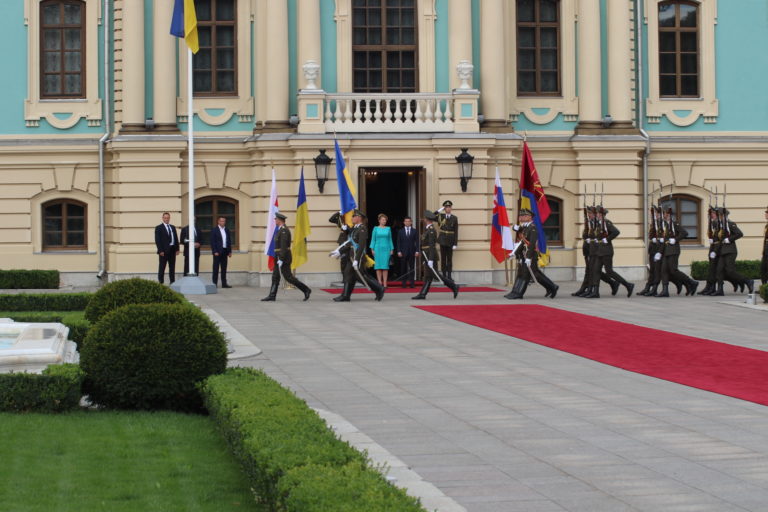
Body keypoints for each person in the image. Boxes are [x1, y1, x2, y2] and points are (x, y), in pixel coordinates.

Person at [332, 210, 385, 302]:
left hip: (358, 257)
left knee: (361, 276)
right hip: (351, 256)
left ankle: (379, 288)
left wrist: (357, 260)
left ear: (359, 218)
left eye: (353, 217)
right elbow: (350, 243)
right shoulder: (355, 229)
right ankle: (345, 296)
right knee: (348, 274)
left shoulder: (362, 229)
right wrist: (339, 251)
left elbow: (361, 246)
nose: (352, 218)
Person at [505, 209, 558, 299]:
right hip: (524, 255)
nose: (521, 217)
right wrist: (514, 253)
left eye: (524, 216)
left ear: (530, 217)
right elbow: (522, 242)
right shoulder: (525, 228)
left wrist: (529, 257)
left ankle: (519, 293)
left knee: (526, 274)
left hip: (531, 255)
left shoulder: (532, 228)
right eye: (521, 216)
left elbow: (532, 244)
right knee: (528, 273)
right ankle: (552, 287)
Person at [581, 207, 634, 298]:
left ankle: (628, 285)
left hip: (606, 251)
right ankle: (595, 291)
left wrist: (607, 239)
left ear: (601, 214)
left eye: (597, 213)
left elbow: (616, 232)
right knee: (595, 271)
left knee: (609, 272)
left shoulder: (606, 223)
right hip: (598, 251)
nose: (595, 214)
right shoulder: (598, 224)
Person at [261, 213, 311, 301]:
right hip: (278, 256)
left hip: (284, 257)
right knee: (275, 276)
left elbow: (284, 246)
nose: (275, 220)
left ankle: (306, 289)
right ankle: (272, 296)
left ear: (280, 220)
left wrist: (281, 258)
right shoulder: (280, 230)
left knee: (288, 277)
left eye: (276, 219)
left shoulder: (284, 230)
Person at [573, 206, 619, 297]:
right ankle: (590, 289)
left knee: (594, 270)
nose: (589, 215)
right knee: (591, 270)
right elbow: (586, 235)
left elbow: (601, 236)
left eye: (590, 213)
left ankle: (590, 289)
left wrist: (605, 239)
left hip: (596, 250)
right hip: (589, 249)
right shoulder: (591, 223)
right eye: (588, 213)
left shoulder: (601, 223)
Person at [412, 210, 459, 299]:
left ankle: (453, 286)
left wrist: (430, 259)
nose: (424, 219)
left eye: (425, 218)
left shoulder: (431, 230)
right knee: (428, 277)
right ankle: (422, 294)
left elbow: (432, 246)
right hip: (426, 257)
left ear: (427, 219)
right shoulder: (427, 229)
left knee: (435, 275)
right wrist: (424, 259)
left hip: (430, 257)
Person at [654, 207, 697, 297]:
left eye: (664, 213)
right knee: (664, 270)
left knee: (673, 270)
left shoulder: (674, 223)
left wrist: (675, 239)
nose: (663, 215)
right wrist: (659, 252)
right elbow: (665, 240)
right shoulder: (665, 225)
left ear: (668, 214)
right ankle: (665, 291)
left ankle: (691, 282)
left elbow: (685, 233)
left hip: (673, 250)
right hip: (666, 251)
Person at [712, 207, 754, 296]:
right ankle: (720, 290)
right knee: (719, 270)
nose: (717, 217)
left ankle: (748, 281)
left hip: (730, 251)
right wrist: (715, 250)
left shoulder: (730, 224)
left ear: (723, 216)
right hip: (721, 251)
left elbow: (740, 233)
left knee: (730, 271)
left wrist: (729, 239)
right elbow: (718, 239)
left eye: (719, 215)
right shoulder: (719, 226)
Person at [637, 205, 663, 296]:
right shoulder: (654, 223)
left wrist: (659, 251)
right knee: (652, 270)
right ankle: (648, 287)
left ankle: (654, 288)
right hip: (653, 249)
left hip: (658, 250)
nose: (654, 215)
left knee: (657, 271)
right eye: (654, 213)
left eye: (656, 213)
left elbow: (664, 238)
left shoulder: (662, 224)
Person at [435, 200, 458, 280]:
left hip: (450, 241)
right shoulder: (441, 217)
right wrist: (439, 210)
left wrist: (455, 243)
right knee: (443, 259)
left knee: (449, 259)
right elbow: (431, 216)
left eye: (449, 207)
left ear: (451, 208)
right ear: (444, 209)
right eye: (446, 207)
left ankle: (449, 276)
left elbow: (456, 231)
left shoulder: (454, 218)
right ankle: (444, 275)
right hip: (442, 240)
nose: (448, 209)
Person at [154, 212, 179, 284]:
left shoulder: (172, 227)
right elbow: (157, 240)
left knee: (172, 267)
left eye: (168, 218)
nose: (166, 219)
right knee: (162, 267)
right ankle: (161, 282)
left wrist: (177, 249)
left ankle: (172, 282)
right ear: (162, 218)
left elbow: (176, 238)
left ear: (169, 218)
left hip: (172, 250)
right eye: (165, 218)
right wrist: (160, 250)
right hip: (163, 251)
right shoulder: (159, 228)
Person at [370, 213, 394, 287]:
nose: (384, 221)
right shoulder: (375, 228)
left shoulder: (388, 228)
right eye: (383, 220)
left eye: (385, 220)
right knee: (378, 266)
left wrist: (392, 249)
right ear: (379, 220)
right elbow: (373, 239)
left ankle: (385, 283)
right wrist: (372, 249)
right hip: (377, 249)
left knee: (385, 266)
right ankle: (379, 282)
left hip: (386, 249)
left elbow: (390, 239)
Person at [396, 216, 419, 288]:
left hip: (412, 252)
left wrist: (417, 251)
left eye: (409, 221)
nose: (407, 222)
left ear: (411, 222)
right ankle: (404, 283)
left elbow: (417, 242)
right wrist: (398, 251)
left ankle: (412, 283)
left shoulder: (414, 231)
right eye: (406, 221)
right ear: (404, 222)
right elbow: (398, 242)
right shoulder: (400, 231)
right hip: (403, 252)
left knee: (412, 268)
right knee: (403, 268)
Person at [210, 216, 232, 288]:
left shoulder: (227, 230)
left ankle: (224, 283)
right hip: (217, 252)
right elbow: (213, 242)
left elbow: (229, 241)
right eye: (221, 221)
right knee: (216, 268)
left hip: (225, 251)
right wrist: (215, 251)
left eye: (224, 221)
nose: (223, 222)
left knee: (224, 268)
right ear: (218, 222)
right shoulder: (214, 230)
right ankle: (214, 284)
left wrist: (230, 251)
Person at [761, 206, 768, 286]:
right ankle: (764, 287)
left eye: (767, 213)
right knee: (763, 268)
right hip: (766, 249)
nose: (765, 214)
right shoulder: (766, 225)